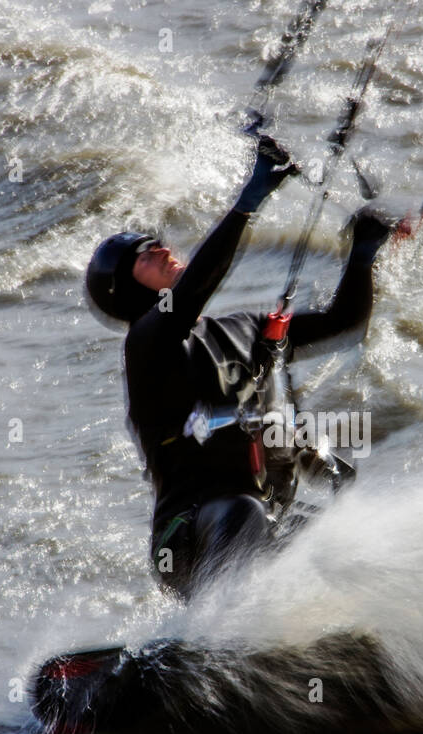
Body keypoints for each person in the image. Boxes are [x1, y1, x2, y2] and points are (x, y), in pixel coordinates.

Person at [85, 135, 398, 599]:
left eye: (158, 246)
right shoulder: (146, 342)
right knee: (242, 509)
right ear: (130, 293)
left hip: (263, 526)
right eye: (145, 259)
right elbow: (191, 293)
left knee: (352, 545)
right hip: (190, 536)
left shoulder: (246, 329)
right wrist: (246, 205)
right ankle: (217, 640)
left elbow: (345, 323)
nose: (163, 252)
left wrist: (363, 254)